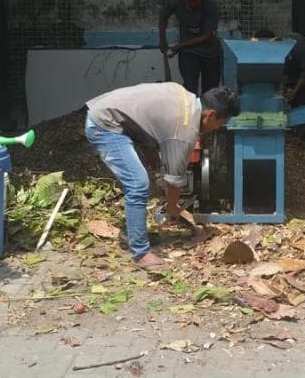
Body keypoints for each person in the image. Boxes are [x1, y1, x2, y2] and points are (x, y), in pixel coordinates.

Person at [85, 82, 240, 271]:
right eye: (220, 123)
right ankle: (140, 253)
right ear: (211, 115)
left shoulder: (186, 96)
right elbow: (172, 181)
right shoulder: (184, 131)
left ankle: (135, 233)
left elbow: (148, 111)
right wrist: (173, 208)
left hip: (107, 109)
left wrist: (148, 145)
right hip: (105, 125)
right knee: (137, 184)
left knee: (139, 180)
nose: (216, 128)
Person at [253, 29, 305, 138]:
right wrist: (287, 89)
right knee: (292, 101)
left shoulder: (295, 42)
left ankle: (304, 135)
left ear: (273, 40)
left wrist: (295, 90)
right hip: (294, 70)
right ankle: (294, 129)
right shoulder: (272, 49)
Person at [159, 0, 222, 95]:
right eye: (190, 1)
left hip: (210, 52)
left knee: (210, 91)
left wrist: (180, 46)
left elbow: (207, 35)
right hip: (188, 52)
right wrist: (162, 40)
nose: (193, 4)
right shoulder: (176, 1)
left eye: (195, 1)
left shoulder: (211, 6)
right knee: (190, 89)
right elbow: (163, 18)